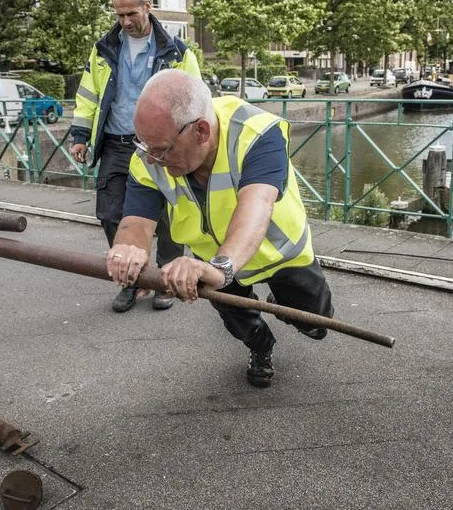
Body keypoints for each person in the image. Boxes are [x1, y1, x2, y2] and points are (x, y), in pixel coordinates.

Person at [105, 69, 336, 388]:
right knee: (239, 323)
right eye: (145, 147)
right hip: (210, 259)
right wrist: (128, 247)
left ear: (201, 131)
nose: (151, 159)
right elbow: (136, 221)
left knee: (318, 324)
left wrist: (223, 266)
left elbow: (258, 205)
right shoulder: (150, 155)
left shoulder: (255, 132)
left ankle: (282, 307)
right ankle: (261, 346)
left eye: (161, 150)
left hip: (279, 254)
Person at [71, 0, 201, 313]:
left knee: (170, 213)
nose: (125, 21)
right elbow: (87, 96)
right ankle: (133, 279)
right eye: (119, 14)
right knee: (110, 213)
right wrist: (80, 136)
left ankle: (167, 279)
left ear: (147, 7)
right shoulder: (103, 49)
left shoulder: (177, 51)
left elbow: (196, 98)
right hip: (117, 142)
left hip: (159, 144)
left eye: (131, 13)